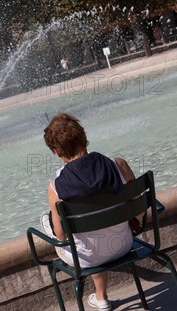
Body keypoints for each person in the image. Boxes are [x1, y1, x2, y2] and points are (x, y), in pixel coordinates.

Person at [41, 113, 136, 311]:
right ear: (84, 137)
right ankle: (101, 297)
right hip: (125, 244)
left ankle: (101, 297)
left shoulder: (56, 187)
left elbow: (61, 235)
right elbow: (136, 203)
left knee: (52, 223)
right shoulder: (118, 164)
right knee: (96, 228)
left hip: (86, 258)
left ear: (57, 151)